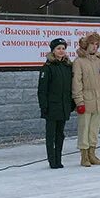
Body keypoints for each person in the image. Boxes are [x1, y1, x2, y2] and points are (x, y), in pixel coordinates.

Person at [37, 38, 74, 169]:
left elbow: (70, 88)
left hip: (63, 106)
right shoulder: (47, 67)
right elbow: (42, 90)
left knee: (60, 135)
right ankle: (52, 160)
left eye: (63, 48)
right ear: (53, 50)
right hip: (52, 107)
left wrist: (71, 104)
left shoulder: (67, 66)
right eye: (58, 48)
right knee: (51, 135)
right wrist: (44, 106)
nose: (61, 51)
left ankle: (58, 159)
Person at [72, 32, 100, 167]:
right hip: (86, 100)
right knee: (84, 128)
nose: (94, 46)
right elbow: (76, 83)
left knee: (94, 129)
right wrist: (79, 101)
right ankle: (84, 156)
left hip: (98, 99)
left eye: (97, 44)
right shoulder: (79, 62)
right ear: (86, 45)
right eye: (92, 43)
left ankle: (92, 153)